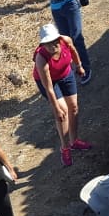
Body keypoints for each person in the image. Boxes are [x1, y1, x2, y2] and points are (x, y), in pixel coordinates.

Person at [33, 24, 90, 167]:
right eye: (47, 44)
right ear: (43, 44)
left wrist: (79, 66)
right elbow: (49, 88)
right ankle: (65, 148)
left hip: (66, 74)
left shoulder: (66, 40)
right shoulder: (41, 59)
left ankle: (74, 141)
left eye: (54, 41)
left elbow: (74, 52)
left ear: (59, 38)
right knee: (63, 112)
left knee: (74, 107)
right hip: (49, 82)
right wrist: (56, 108)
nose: (52, 46)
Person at [34, 0, 92, 85]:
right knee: (64, 41)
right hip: (56, 9)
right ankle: (71, 67)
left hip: (70, 3)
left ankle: (85, 67)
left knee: (77, 37)